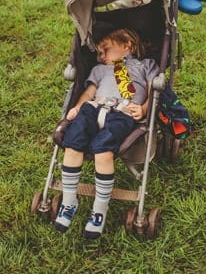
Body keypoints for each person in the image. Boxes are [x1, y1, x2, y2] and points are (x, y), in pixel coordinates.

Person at [55, 28, 158, 239]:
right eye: (98, 54)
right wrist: (77, 107)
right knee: (72, 143)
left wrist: (145, 109)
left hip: (124, 111)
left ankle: (99, 209)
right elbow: (88, 93)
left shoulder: (145, 66)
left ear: (127, 45)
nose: (101, 57)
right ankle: (68, 202)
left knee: (103, 149)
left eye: (105, 51)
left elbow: (152, 91)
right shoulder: (99, 70)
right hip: (93, 107)